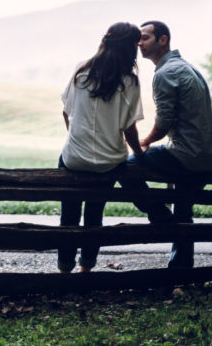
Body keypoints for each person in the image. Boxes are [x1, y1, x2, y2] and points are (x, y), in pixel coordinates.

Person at [127, 20, 212, 269]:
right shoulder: (186, 67)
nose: (139, 43)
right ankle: (181, 267)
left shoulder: (166, 73)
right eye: (139, 39)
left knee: (127, 165)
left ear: (163, 39)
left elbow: (164, 122)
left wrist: (144, 143)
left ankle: (158, 214)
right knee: (183, 204)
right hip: (207, 156)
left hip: (187, 156)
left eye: (145, 37)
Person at [57, 21, 146, 273]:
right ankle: (86, 269)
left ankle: (64, 270)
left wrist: (78, 139)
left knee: (69, 215)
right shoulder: (130, 82)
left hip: (74, 158)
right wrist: (140, 153)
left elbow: (66, 112)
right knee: (94, 215)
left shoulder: (81, 71)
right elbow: (129, 130)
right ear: (131, 49)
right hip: (110, 162)